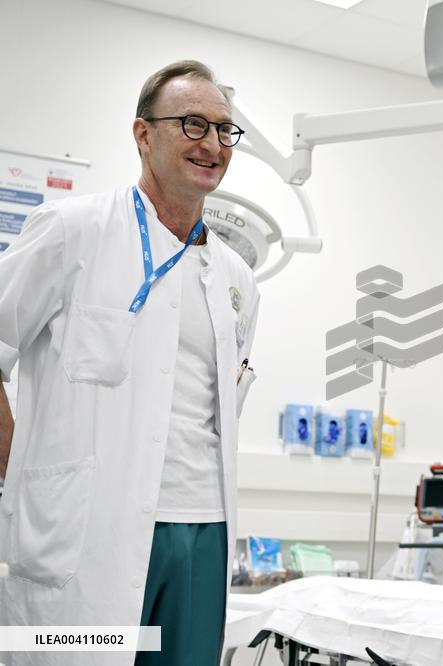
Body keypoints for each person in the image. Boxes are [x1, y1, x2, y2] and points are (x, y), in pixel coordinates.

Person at [0, 60, 260, 666]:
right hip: (85, 530)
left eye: (225, 131)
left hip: (204, 530)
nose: (212, 144)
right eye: (193, 124)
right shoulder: (70, 230)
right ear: (143, 134)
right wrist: (14, 470)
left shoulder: (237, 280)